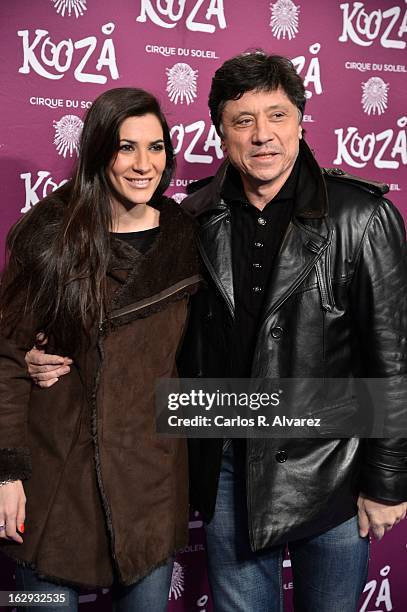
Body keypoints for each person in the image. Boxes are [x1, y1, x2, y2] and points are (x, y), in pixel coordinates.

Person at [26, 54, 407, 611]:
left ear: (301, 121)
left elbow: (392, 356)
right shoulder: (194, 217)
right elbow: (141, 328)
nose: (263, 136)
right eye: (242, 120)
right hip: (230, 467)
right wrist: (50, 354)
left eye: (277, 115)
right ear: (219, 131)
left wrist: (388, 478)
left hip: (334, 468)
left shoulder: (361, 215)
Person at [0, 87, 200, 611]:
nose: (143, 164)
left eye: (155, 148)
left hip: (148, 486)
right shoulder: (50, 236)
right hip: (53, 484)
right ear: (97, 152)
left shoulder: (185, 241)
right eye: (125, 147)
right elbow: (7, 358)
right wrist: (7, 472)